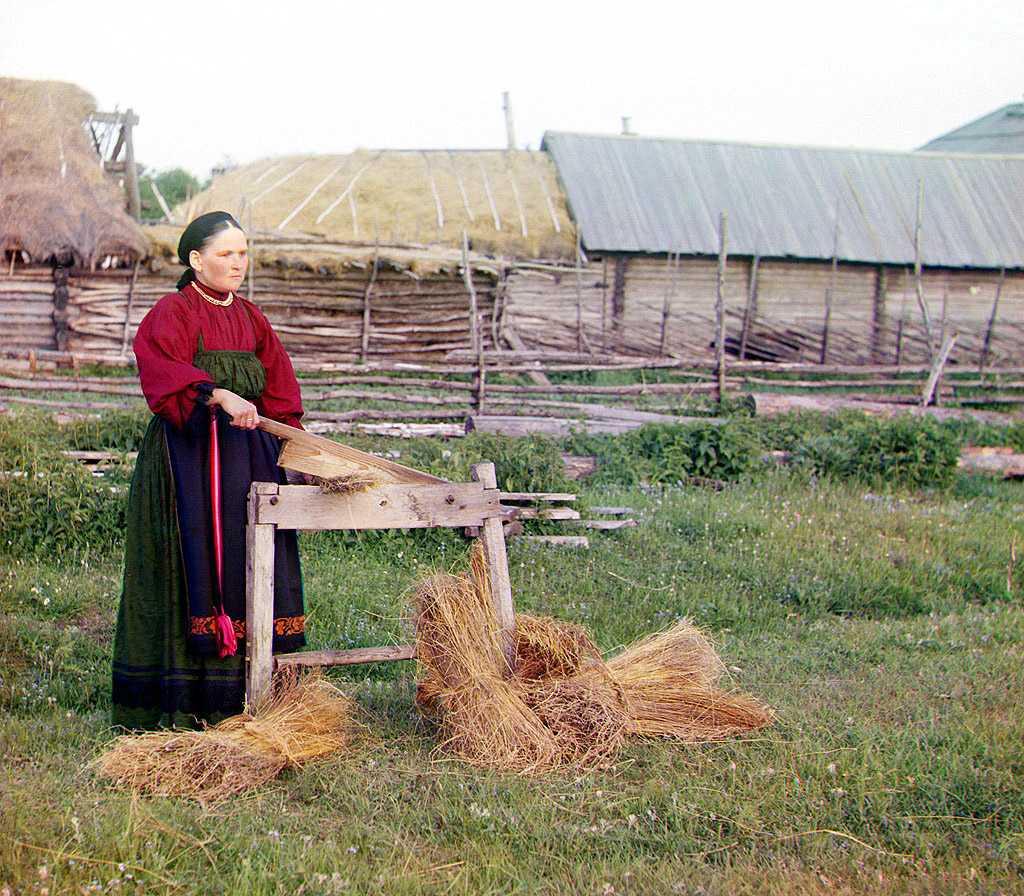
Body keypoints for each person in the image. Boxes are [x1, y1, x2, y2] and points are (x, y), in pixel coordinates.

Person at [111, 211, 307, 729]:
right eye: (226, 253)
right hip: (190, 464)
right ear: (196, 259)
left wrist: (297, 443)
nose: (238, 263)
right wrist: (217, 392)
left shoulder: (251, 319)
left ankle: (255, 697)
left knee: (252, 557)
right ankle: (187, 702)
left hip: (249, 461)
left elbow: (280, 389)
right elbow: (162, 376)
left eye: (243, 253)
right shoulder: (172, 312)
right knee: (194, 560)